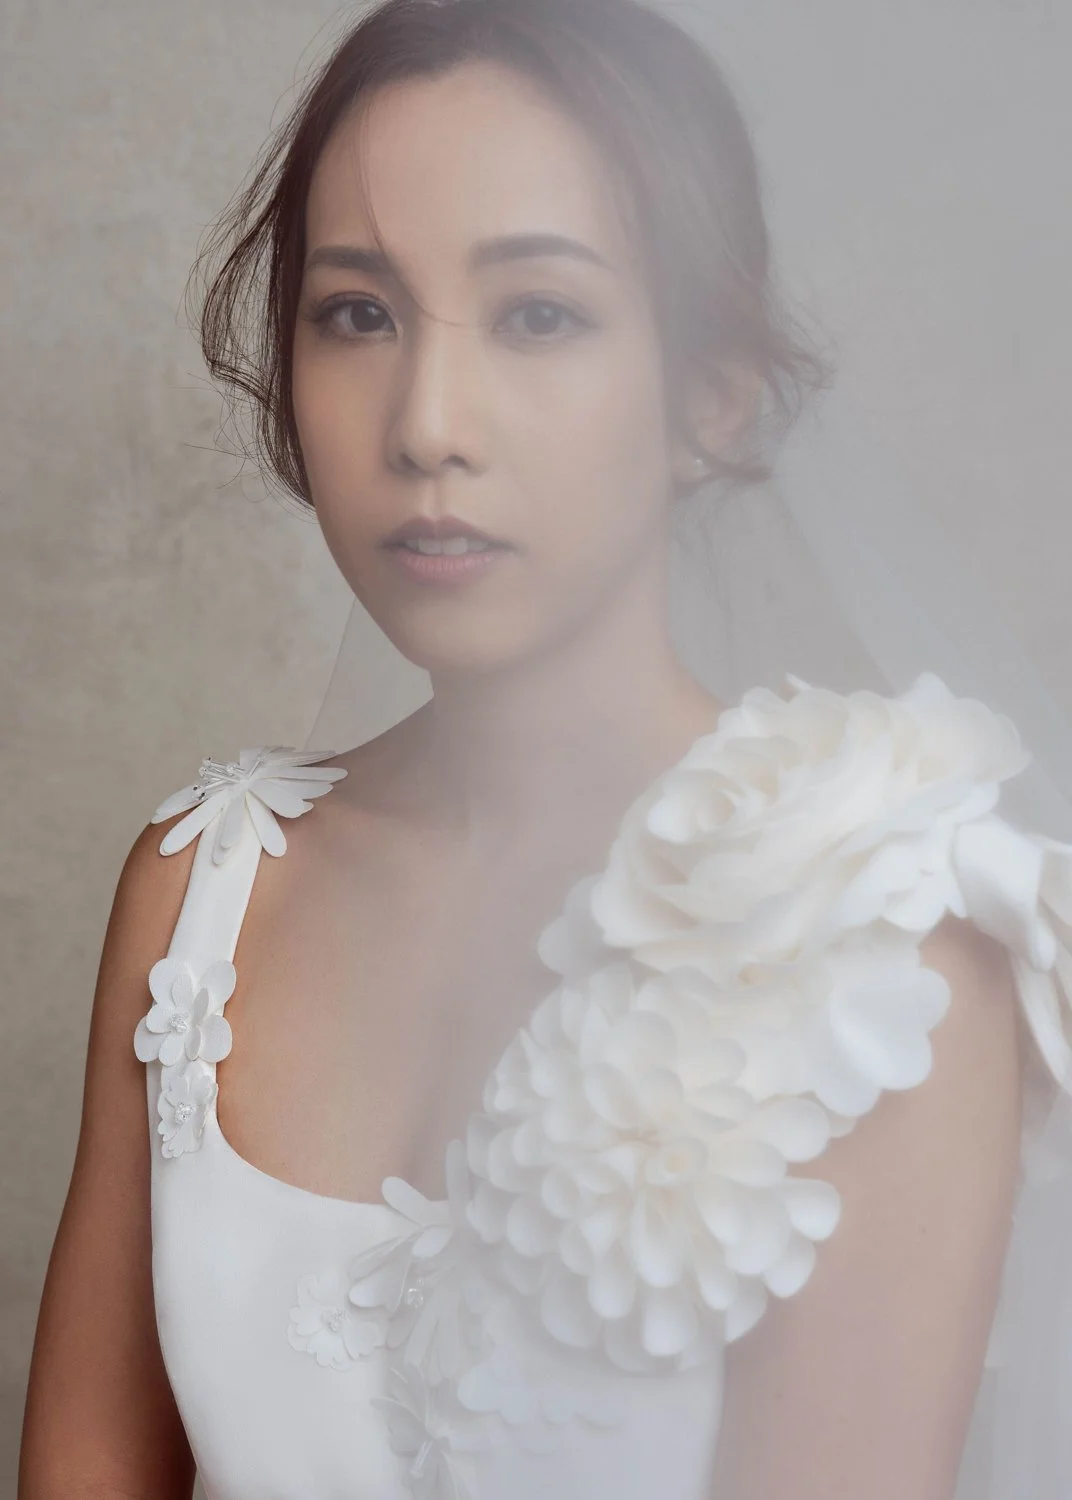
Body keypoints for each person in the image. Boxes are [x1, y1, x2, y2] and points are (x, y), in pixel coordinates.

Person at [18, 0, 1072, 1496]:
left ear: (710, 390)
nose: (428, 424)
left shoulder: (893, 950)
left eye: (539, 315)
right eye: (358, 314)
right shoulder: (202, 896)